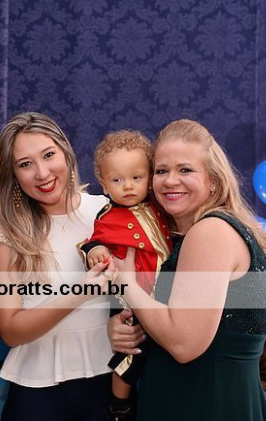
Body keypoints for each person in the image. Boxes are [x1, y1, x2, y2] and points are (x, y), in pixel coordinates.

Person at [111, 119, 266, 420]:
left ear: (213, 180)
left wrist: (126, 284)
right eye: (162, 171)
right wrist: (126, 330)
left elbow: (183, 343)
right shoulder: (194, 235)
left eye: (185, 170)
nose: (170, 180)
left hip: (204, 404)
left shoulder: (210, 232)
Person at [0, 111, 115, 421]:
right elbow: (10, 330)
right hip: (36, 393)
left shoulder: (108, 211)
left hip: (108, 384)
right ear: (14, 175)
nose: (42, 173)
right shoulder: (9, 233)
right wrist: (81, 293)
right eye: (25, 164)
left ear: (66, 152)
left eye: (48, 155)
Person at [77, 130, 171, 420]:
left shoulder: (160, 207)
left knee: (162, 354)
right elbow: (93, 242)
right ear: (104, 184)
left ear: (150, 177)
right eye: (117, 180)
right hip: (130, 300)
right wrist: (96, 250)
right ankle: (119, 404)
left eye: (136, 177)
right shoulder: (108, 216)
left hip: (164, 293)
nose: (128, 186)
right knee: (130, 354)